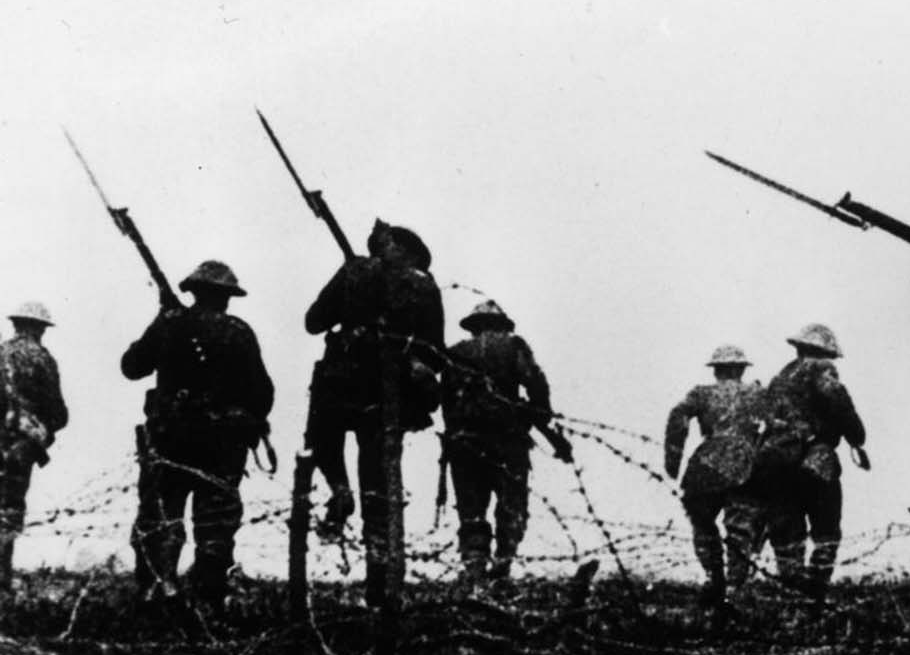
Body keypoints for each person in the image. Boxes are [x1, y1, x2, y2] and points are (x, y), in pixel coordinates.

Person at [304, 219, 444, 604]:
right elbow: (435, 351)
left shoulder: (354, 270)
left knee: (321, 447)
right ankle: (380, 586)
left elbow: (313, 322)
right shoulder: (423, 284)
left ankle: (338, 489)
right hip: (385, 394)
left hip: (338, 384)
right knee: (379, 491)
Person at [121, 262, 274, 607]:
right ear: (227, 297)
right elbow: (262, 393)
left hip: (170, 439)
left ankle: (154, 595)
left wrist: (162, 324)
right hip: (221, 446)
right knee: (215, 527)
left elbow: (131, 366)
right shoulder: (239, 332)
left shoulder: (171, 324)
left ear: (194, 290)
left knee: (160, 518)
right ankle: (208, 603)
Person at [441, 299, 572, 588]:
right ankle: (502, 565)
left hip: (465, 443)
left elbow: (446, 400)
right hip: (507, 440)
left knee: (471, 509)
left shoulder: (455, 353)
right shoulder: (514, 346)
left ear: (473, 327)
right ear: (502, 325)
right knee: (511, 506)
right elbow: (535, 384)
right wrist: (541, 419)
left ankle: (474, 570)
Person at [751, 324, 869, 611]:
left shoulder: (780, 377)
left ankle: (794, 596)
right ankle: (815, 595)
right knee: (826, 531)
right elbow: (837, 398)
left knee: (787, 535)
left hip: (776, 465)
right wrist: (856, 436)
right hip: (815, 462)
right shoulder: (821, 368)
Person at [663, 344, 767, 608]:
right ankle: (734, 586)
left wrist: (672, 461)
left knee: (703, 524)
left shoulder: (701, 394)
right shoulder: (758, 394)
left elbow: (678, 417)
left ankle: (714, 577)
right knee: (740, 528)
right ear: (741, 369)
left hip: (706, 465)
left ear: (716, 370)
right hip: (747, 466)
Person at [0, 302, 69, 592]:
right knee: (9, 510)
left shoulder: (1, 351)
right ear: (40, 328)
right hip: (20, 446)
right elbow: (58, 413)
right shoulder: (42, 359)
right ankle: (1, 579)